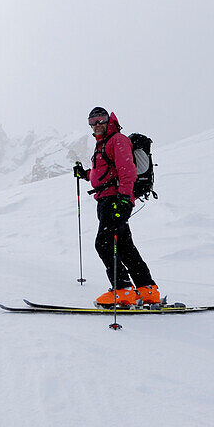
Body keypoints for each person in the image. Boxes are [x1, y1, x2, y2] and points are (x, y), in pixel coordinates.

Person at [73, 108, 159, 307]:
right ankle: (148, 290)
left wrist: (123, 198)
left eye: (101, 119)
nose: (97, 124)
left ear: (108, 119)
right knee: (125, 246)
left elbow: (127, 171)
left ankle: (122, 290)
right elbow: (102, 175)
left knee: (103, 243)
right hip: (107, 200)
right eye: (92, 121)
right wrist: (84, 174)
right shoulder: (103, 144)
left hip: (115, 200)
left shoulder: (117, 139)